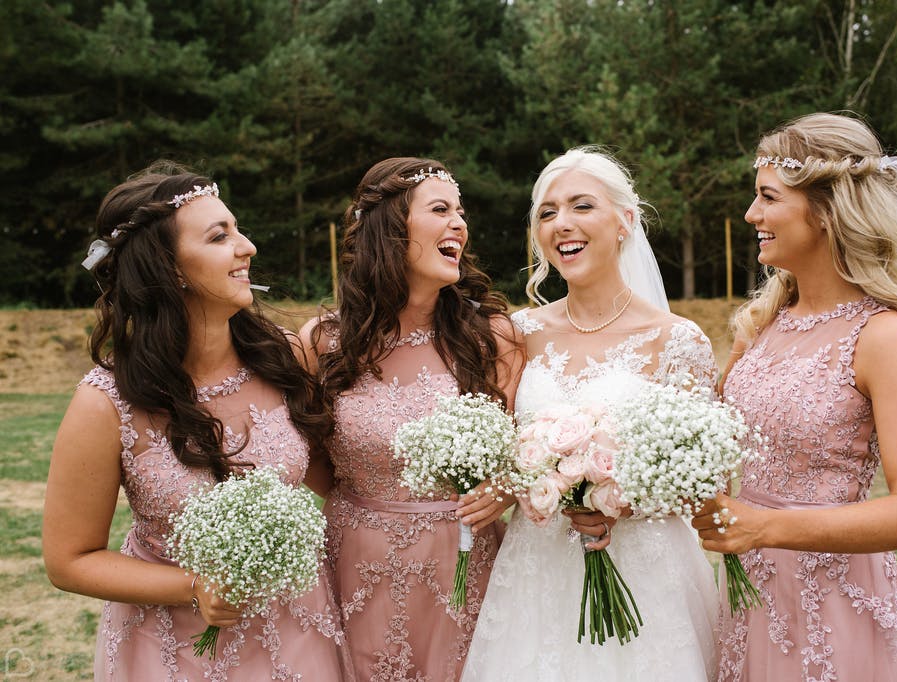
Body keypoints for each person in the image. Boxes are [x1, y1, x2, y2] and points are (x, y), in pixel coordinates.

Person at [42, 163, 354, 681]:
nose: (247, 246)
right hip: (174, 650)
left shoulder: (282, 361)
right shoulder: (105, 403)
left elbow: (337, 480)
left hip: (297, 632)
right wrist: (193, 585)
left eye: (237, 228)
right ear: (170, 269)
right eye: (219, 236)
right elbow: (69, 560)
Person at [691, 112, 897, 681]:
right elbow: (710, 445)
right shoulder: (763, 324)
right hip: (750, 597)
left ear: (828, 211)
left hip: (836, 604)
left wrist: (766, 527)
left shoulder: (884, 336)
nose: (751, 214)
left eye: (767, 197)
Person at [461, 147, 719, 681]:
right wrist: (513, 483)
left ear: (625, 220)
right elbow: (501, 447)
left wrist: (621, 499)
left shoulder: (676, 340)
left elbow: (705, 479)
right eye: (548, 212)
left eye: (582, 206)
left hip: (645, 573)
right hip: (538, 573)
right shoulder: (518, 334)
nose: (562, 224)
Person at [299, 157, 523, 682]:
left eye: (461, 212)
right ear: (391, 228)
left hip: (465, 562)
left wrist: (505, 488)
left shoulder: (494, 338)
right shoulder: (322, 344)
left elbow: (522, 452)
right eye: (441, 209)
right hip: (355, 560)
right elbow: (306, 460)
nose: (460, 224)